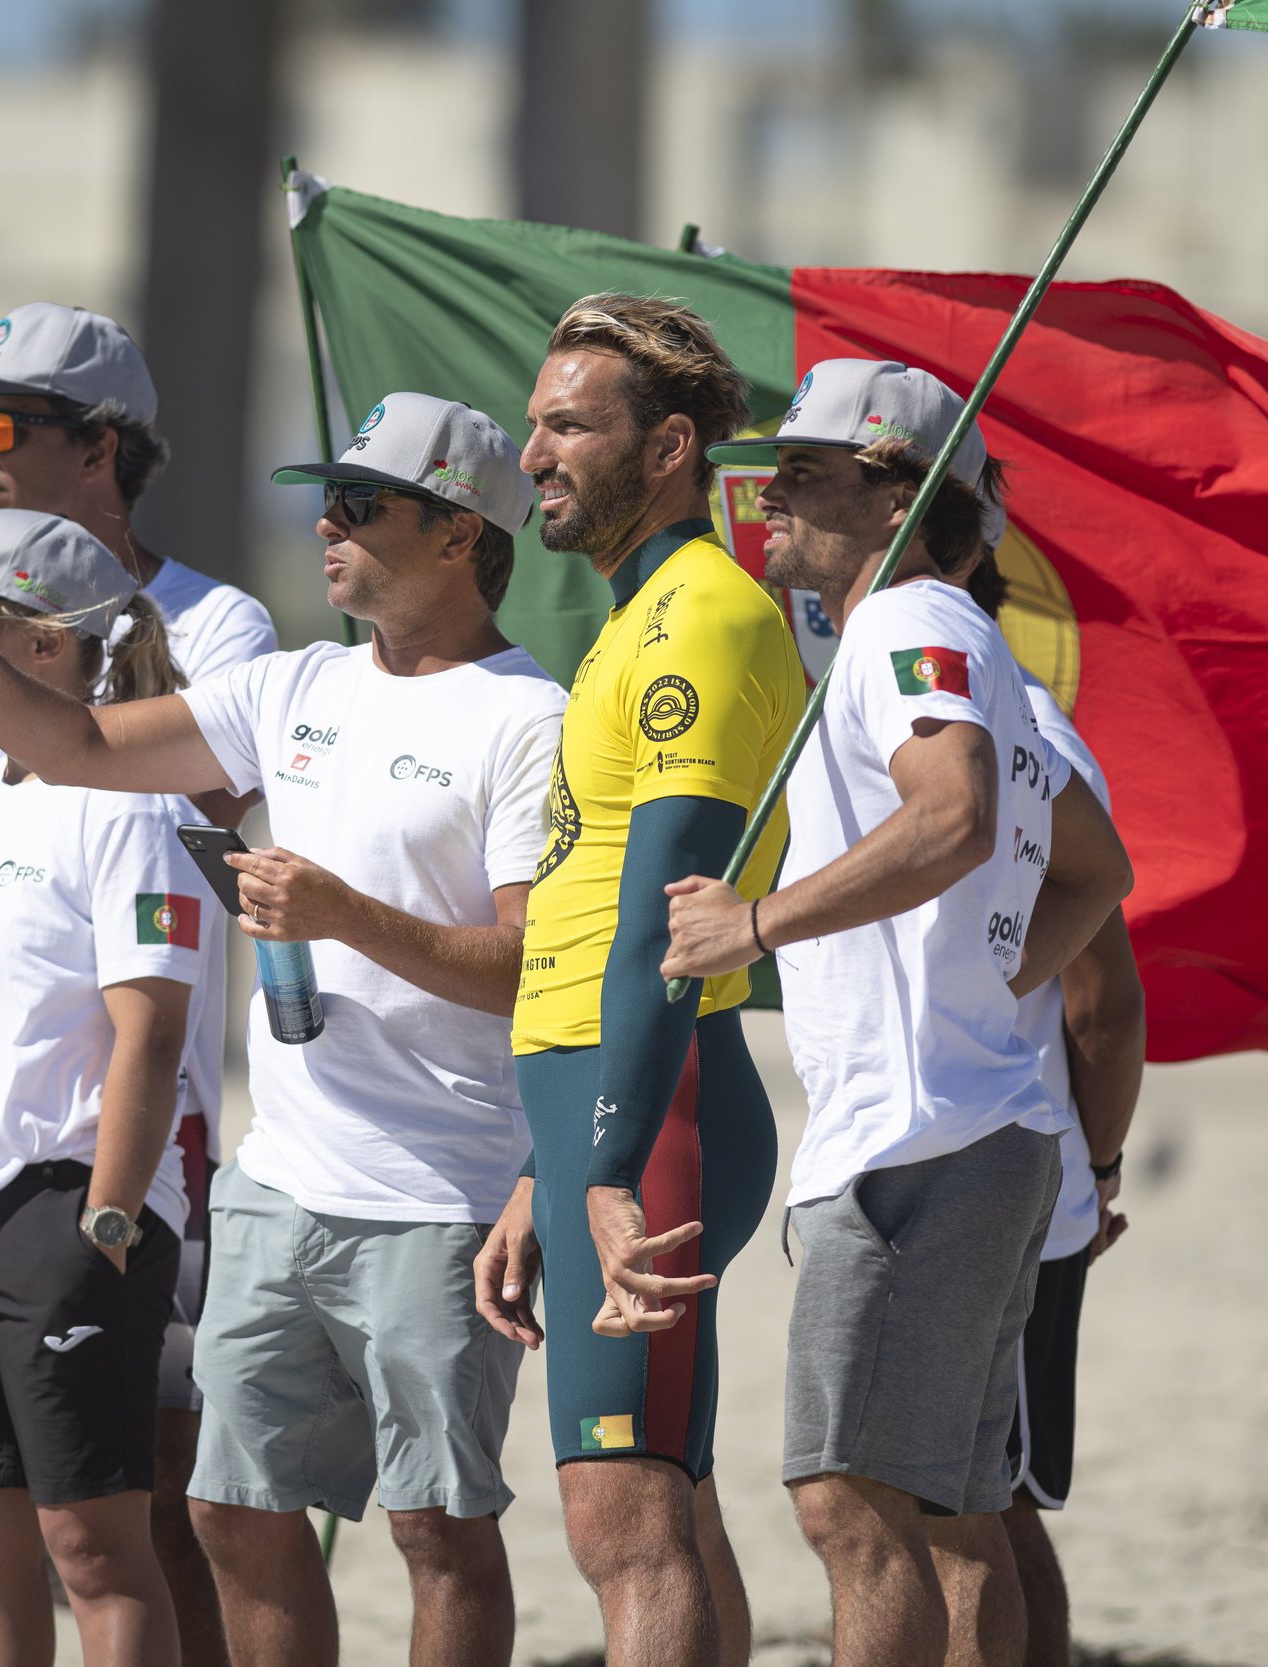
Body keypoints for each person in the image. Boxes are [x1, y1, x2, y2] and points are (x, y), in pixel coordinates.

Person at [0, 391, 564, 1667]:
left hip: (441, 1185)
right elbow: (69, 742)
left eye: (361, 504)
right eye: (324, 497)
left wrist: (344, 911)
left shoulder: (527, 717)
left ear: (460, 535)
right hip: (281, 1177)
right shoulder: (291, 681)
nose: (326, 523)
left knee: (437, 1526)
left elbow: (530, 971)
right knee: (232, 1513)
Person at [662, 357, 1134, 1667]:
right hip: (968, 1127)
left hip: (918, 1138)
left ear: (897, 500)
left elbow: (954, 812)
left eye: (806, 472)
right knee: (948, 1515)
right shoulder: (953, 646)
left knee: (848, 1499)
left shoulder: (906, 625)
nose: (769, 493)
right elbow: (1100, 868)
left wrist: (753, 923)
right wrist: (986, 981)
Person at [0, 302, 275, 1667]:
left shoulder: (224, 621)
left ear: (103, 444)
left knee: (141, 1494)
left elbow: (210, 831)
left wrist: (108, 1199)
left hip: (119, 1133)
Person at [476, 293, 802, 1667]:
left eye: (568, 424)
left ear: (669, 446)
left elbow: (666, 922)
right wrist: (550, 1169)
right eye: (533, 424)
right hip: (604, 1111)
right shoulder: (631, 619)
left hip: (652, 1108)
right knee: (668, 1496)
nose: (535, 453)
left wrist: (604, 1159)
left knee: (625, 1517)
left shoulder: (699, 620)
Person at [963, 542, 1147, 1667]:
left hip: (1020, 1174)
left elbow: (1103, 998)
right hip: (966, 1160)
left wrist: (1102, 1163)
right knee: (959, 1494)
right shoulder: (947, 717)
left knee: (999, 1501)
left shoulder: (1025, 731)